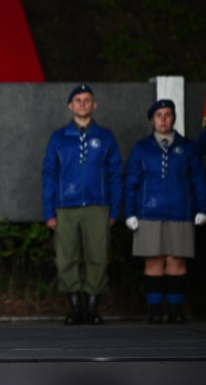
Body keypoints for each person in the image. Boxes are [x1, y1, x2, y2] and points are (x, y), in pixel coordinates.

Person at [42, 84, 122, 325]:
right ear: (70, 105)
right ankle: (75, 306)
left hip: (98, 205)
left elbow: (115, 173)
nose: (83, 104)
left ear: (94, 104)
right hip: (66, 206)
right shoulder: (59, 137)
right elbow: (49, 174)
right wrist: (49, 210)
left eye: (87, 100)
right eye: (78, 100)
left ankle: (92, 306)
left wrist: (114, 208)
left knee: (97, 256)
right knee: (67, 257)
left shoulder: (105, 137)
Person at [124, 99, 206, 324]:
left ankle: (176, 309)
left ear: (174, 118)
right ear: (152, 119)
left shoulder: (187, 147)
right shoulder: (142, 147)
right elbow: (131, 180)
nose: (163, 119)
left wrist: (202, 207)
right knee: (153, 261)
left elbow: (198, 179)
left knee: (177, 261)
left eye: (167, 114)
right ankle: (154, 310)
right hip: (149, 212)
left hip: (181, 211)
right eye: (158, 115)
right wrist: (129, 212)